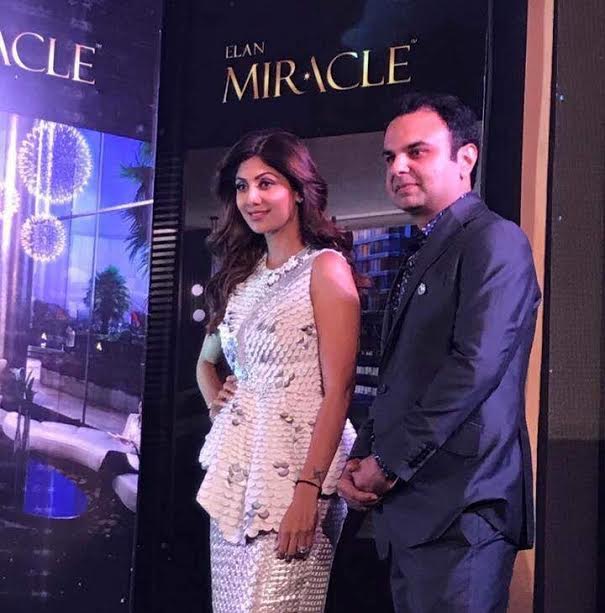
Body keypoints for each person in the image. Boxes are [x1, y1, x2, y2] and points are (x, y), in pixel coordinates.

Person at [337, 92, 541, 612]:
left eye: (417, 152)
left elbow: (472, 368)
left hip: (462, 508)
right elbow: (400, 378)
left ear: (465, 158)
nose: (398, 167)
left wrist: (387, 462)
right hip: (414, 508)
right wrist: (362, 455)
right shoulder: (427, 248)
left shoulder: (496, 240)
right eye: (390, 157)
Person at [195, 129, 360, 612]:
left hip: (299, 474)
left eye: (266, 183)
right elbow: (205, 363)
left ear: (298, 190)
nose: (252, 198)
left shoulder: (325, 268)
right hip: (236, 477)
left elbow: (339, 390)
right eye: (242, 186)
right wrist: (219, 403)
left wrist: (309, 491)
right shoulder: (240, 277)